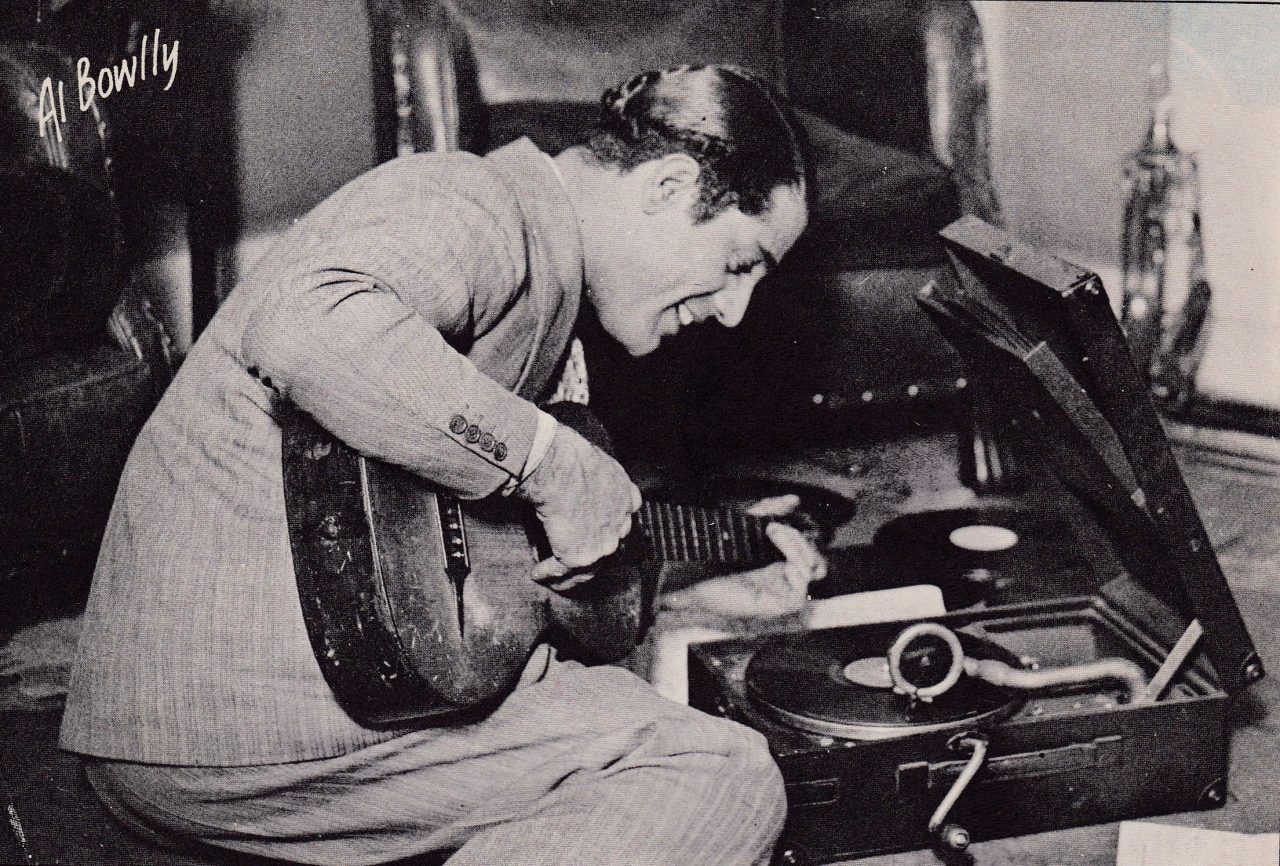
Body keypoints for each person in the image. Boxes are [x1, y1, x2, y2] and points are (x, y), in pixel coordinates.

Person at [61, 64, 824, 866]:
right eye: (741, 263)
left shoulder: (549, 288)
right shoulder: (475, 201)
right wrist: (550, 463)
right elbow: (306, 324)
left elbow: (461, 544)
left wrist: (670, 586)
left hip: (276, 707)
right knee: (716, 772)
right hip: (238, 716)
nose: (735, 312)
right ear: (668, 186)